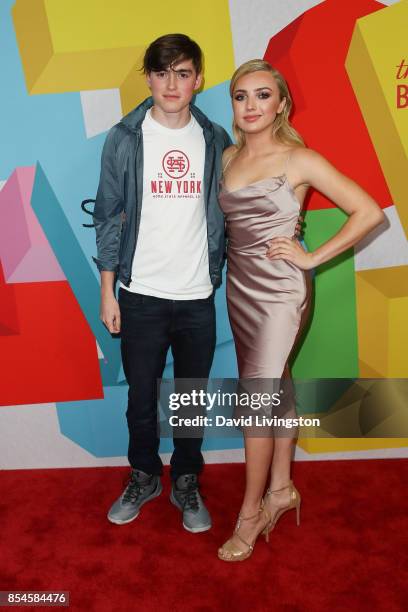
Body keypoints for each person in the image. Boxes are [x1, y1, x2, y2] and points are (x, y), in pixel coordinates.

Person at [217, 59, 384, 561]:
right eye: (242, 96)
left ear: (281, 105)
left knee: (256, 401)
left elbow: (369, 212)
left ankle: (249, 514)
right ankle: (282, 489)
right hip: (240, 287)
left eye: (262, 95)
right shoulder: (227, 157)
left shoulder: (299, 159)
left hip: (280, 294)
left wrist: (309, 256)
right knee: (276, 387)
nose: (251, 106)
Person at [92, 34, 232, 533]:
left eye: (184, 72)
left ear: (198, 79)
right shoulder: (125, 138)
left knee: (190, 396)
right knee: (140, 397)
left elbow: (237, 209)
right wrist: (108, 291)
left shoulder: (216, 140)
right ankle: (146, 474)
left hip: (197, 295)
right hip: (140, 294)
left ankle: (186, 479)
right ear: (148, 77)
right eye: (162, 72)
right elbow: (108, 216)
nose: (172, 84)